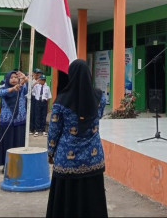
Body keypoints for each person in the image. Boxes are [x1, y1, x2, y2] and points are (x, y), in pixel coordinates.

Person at [46, 59, 107, 218]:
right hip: (93, 157)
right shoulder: (100, 98)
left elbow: (54, 130)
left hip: (67, 158)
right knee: (92, 196)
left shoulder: (61, 100)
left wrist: (51, 152)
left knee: (67, 198)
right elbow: (97, 117)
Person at [0, 70, 28, 172]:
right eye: (11, 77)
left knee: (18, 143)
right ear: (7, 79)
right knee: (7, 144)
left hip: (19, 121)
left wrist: (25, 79)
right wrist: (12, 89)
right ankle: (6, 165)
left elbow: (28, 89)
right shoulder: (3, 88)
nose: (13, 79)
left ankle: (18, 165)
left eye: (15, 77)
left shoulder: (22, 89)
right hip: (7, 121)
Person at [30, 68, 43, 134]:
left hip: (39, 99)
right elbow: (29, 88)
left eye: (39, 73)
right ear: (34, 74)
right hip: (33, 98)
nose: (38, 75)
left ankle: (37, 128)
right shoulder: (32, 80)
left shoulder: (42, 81)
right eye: (37, 73)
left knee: (38, 114)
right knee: (32, 113)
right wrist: (36, 82)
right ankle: (32, 128)